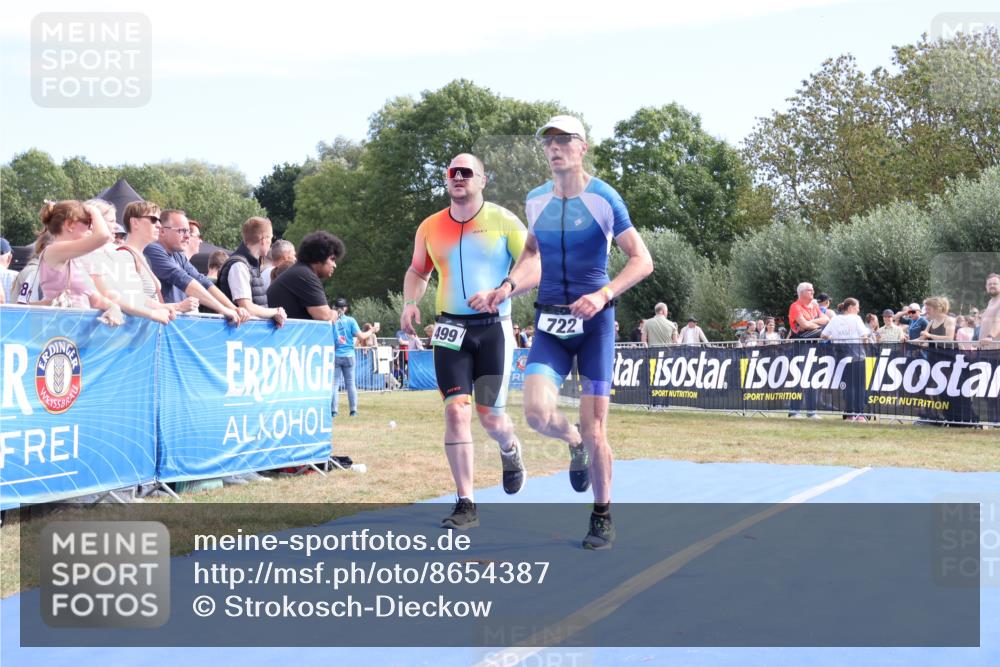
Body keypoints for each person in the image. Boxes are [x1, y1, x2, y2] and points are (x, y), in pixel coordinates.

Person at [485, 116, 653, 550]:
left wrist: (604, 293)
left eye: (564, 140)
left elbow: (642, 259)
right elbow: (532, 255)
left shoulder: (603, 198)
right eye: (549, 142)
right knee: (537, 414)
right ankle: (572, 442)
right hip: (550, 324)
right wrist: (506, 287)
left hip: (595, 325)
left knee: (597, 428)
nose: (554, 148)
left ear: (583, 148)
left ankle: (602, 514)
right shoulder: (536, 200)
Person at [401, 153, 530, 531]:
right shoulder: (430, 226)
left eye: (466, 173)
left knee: (491, 416)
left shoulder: (504, 220)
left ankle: (510, 448)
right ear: (447, 180)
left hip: (493, 328)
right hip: (450, 330)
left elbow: (533, 265)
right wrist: (411, 302)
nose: (459, 178)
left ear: (482, 180)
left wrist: (504, 288)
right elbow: (417, 269)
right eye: (452, 173)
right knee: (456, 411)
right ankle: (466, 502)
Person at [144, 209, 249, 325]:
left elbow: (202, 281)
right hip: (160, 328)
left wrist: (233, 308)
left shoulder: (177, 255)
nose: (187, 236)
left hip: (173, 325)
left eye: (188, 231)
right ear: (163, 231)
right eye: (182, 231)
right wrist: (223, 309)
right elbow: (183, 280)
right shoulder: (153, 249)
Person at [35, 200, 124, 325]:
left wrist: (113, 308)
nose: (91, 227)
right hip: (56, 329)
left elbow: (94, 299)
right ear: (70, 224)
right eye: (88, 223)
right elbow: (104, 236)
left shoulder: (75, 259)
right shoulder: (54, 250)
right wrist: (94, 210)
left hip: (74, 329)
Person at [216, 217, 286, 327]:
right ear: (263, 239)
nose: (270, 243)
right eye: (270, 238)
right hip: (238, 335)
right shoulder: (239, 265)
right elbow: (246, 307)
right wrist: (275, 312)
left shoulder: (249, 264)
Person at [266, 230, 344, 321]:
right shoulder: (304, 276)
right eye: (332, 259)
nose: (334, 265)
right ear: (319, 257)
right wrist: (335, 313)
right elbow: (325, 317)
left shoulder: (299, 272)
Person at [820, 298, 871, 421]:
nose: (858, 310)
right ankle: (859, 414)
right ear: (850, 308)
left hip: (841, 357)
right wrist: (867, 347)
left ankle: (849, 414)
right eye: (857, 307)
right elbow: (864, 336)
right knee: (859, 386)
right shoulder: (856, 319)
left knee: (847, 386)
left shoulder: (835, 319)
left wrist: (834, 338)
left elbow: (823, 335)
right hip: (857, 355)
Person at [787, 282, 828, 418]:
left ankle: (811, 412)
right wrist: (815, 324)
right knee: (799, 377)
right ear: (802, 292)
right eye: (810, 290)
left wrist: (811, 324)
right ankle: (794, 411)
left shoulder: (815, 305)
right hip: (800, 345)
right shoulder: (795, 306)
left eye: (812, 290)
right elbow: (803, 324)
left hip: (814, 344)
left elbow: (826, 319)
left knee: (813, 377)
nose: (813, 292)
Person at [331, 297, 363, 417]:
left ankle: (334, 411)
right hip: (349, 355)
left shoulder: (332, 321)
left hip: (336, 355)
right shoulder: (351, 320)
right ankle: (353, 411)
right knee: (351, 384)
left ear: (335, 308)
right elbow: (362, 336)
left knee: (334, 385)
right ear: (345, 309)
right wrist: (372, 331)